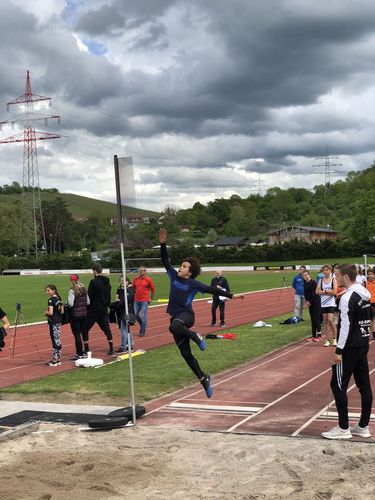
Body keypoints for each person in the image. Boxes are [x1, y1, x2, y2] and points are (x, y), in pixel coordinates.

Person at [159, 228, 244, 399]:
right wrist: (162, 244)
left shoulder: (193, 284)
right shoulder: (173, 276)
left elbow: (212, 289)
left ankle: (196, 336)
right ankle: (203, 378)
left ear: (189, 272)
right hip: (177, 320)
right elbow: (164, 261)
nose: (180, 267)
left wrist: (231, 295)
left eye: (183, 266)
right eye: (181, 265)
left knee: (174, 326)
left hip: (187, 316)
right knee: (186, 354)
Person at [322, 264, 373, 440]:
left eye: (337, 276)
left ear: (345, 276)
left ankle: (343, 428)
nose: (335, 279)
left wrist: (338, 349)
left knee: (337, 385)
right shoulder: (365, 294)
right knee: (364, 385)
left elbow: (346, 326)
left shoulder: (347, 297)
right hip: (363, 343)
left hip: (350, 346)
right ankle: (363, 426)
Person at [83, 263, 115, 356]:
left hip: (94, 310)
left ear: (94, 271)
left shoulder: (93, 282)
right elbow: (108, 298)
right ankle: (111, 348)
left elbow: (89, 297)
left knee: (84, 329)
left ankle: (87, 350)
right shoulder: (107, 283)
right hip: (104, 310)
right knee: (107, 330)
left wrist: (88, 308)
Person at [67, 274, 90, 360]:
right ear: (78, 279)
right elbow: (88, 302)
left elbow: (71, 304)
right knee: (84, 333)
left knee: (77, 335)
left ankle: (79, 354)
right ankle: (86, 351)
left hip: (75, 315)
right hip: (84, 314)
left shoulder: (72, 290)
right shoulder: (84, 288)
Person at [316, 265, 337, 347]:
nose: (325, 272)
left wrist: (323, 292)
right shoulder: (321, 281)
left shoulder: (333, 280)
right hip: (323, 303)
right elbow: (317, 292)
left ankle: (335, 339)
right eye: (324, 270)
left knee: (330, 320)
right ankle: (327, 340)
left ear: (330, 271)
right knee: (325, 321)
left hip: (331, 303)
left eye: (327, 270)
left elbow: (334, 292)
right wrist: (327, 291)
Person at [133, 266, 156, 337]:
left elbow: (153, 290)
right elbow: (133, 288)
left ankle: (142, 331)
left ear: (145, 271)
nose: (140, 272)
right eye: (139, 270)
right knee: (135, 315)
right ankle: (142, 325)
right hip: (136, 300)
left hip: (144, 300)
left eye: (142, 270)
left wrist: (151, 299)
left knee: (143, 316)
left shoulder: (148, 279)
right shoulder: (135, 279)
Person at [45, 284, 63, 366]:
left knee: (54, 340)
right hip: (58, 321)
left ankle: (54, 360)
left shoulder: (50, 300)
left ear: (53, 290)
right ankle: (58, 359)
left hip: (53, 322)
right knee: (57, 339)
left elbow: (51, 313)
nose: (47, 292)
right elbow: (62, 311)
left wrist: (46, 312)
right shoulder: (59, 298)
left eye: (48, 290)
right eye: (46, 290)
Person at [116, 276, 135, 353]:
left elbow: (124, 301)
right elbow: (118, 299)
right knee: (127, 329)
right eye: (120, 281)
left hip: (127, 312)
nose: (122, 282)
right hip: (125, 311)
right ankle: (130, 345)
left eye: (123, 281)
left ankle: (123, 346)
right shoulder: (123, 289)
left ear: (127, 281)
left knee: (123, 330)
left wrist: (118, 303)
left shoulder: (129, 290)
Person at [302, 270, 321, 342]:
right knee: (312, 319)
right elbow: (305, 294)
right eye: (304, 275)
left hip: (316, 302)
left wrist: (311, 302)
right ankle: (313, 335)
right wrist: (307, 301)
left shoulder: (313, 282)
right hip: (310, 303)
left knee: (316, 318)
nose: (305, 277)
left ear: (309, 275)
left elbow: (315, 294)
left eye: (306, 275)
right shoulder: (305, 283)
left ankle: (319, 335)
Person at [365, 267, 375, 339]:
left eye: (371, 274)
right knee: (370, 319)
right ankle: (370, 332)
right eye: (369, 274)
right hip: (369, 302)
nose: (370, 275)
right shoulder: (365, 283)